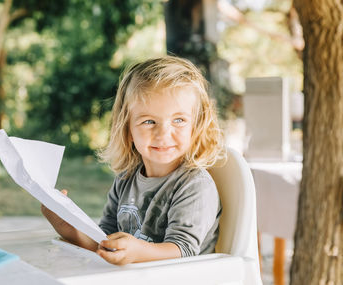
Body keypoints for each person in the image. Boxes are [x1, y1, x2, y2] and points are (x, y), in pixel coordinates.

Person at [41, 56, 226, 266]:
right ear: (128, 129)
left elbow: (183, 249)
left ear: (196, 127)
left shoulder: (195, 185)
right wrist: (68, 225)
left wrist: (137, 251)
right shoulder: (126, 179)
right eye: (149, 121)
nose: (163, 133)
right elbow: (105, 241)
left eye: (179, 120)